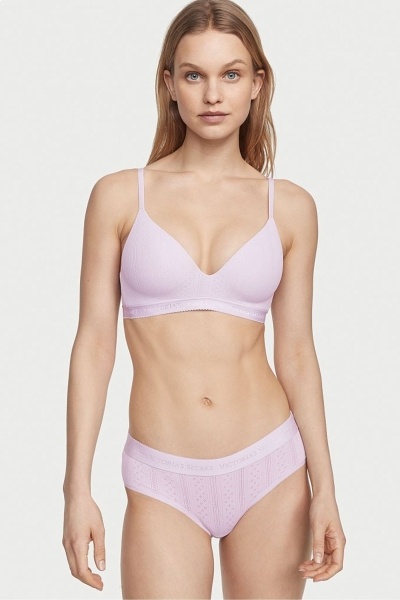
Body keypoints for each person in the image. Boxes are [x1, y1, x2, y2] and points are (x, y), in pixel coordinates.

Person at [62, 0, 346, 598]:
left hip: (271, 467)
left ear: (257, 85)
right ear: (169, 84)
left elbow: (297, 352)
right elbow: (94, 345)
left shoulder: (291, 207)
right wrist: (76, 487)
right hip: (162, 475)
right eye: (194, 75)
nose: (213, 94)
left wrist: (325, 488)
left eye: (231, 74)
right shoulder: (119, 197)